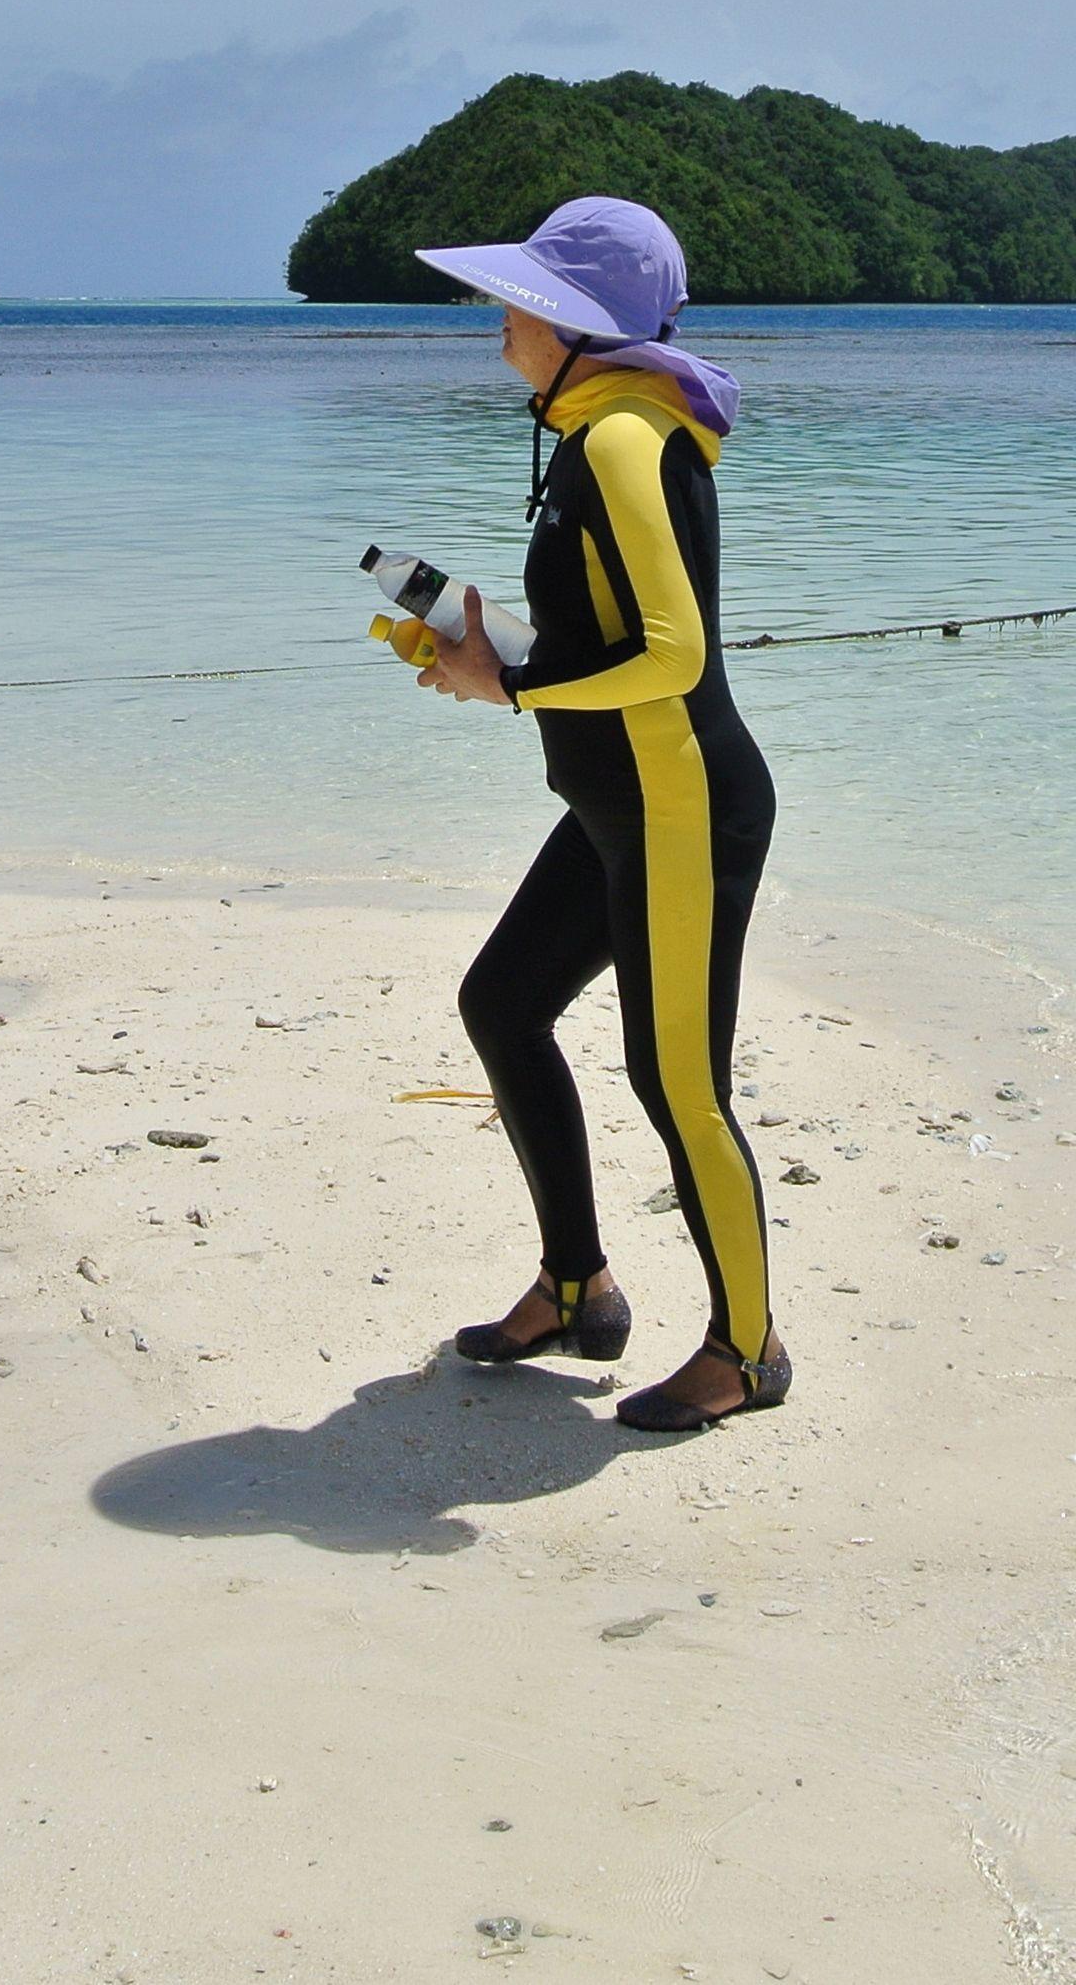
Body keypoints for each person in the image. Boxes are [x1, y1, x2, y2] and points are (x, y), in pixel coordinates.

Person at [405, 197, 790, 1433]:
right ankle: (576, 1287)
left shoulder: (624, 438)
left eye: (516, 300)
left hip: (677, 803)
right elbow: (609, 639)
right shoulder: (588, 428)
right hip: (614, 797)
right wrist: (496, 650)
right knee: (502, 1006)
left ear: (570, 320)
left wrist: (504, 681)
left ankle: (746, 1349)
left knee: (679, 1083)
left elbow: (671, 656)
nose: (498, 321)